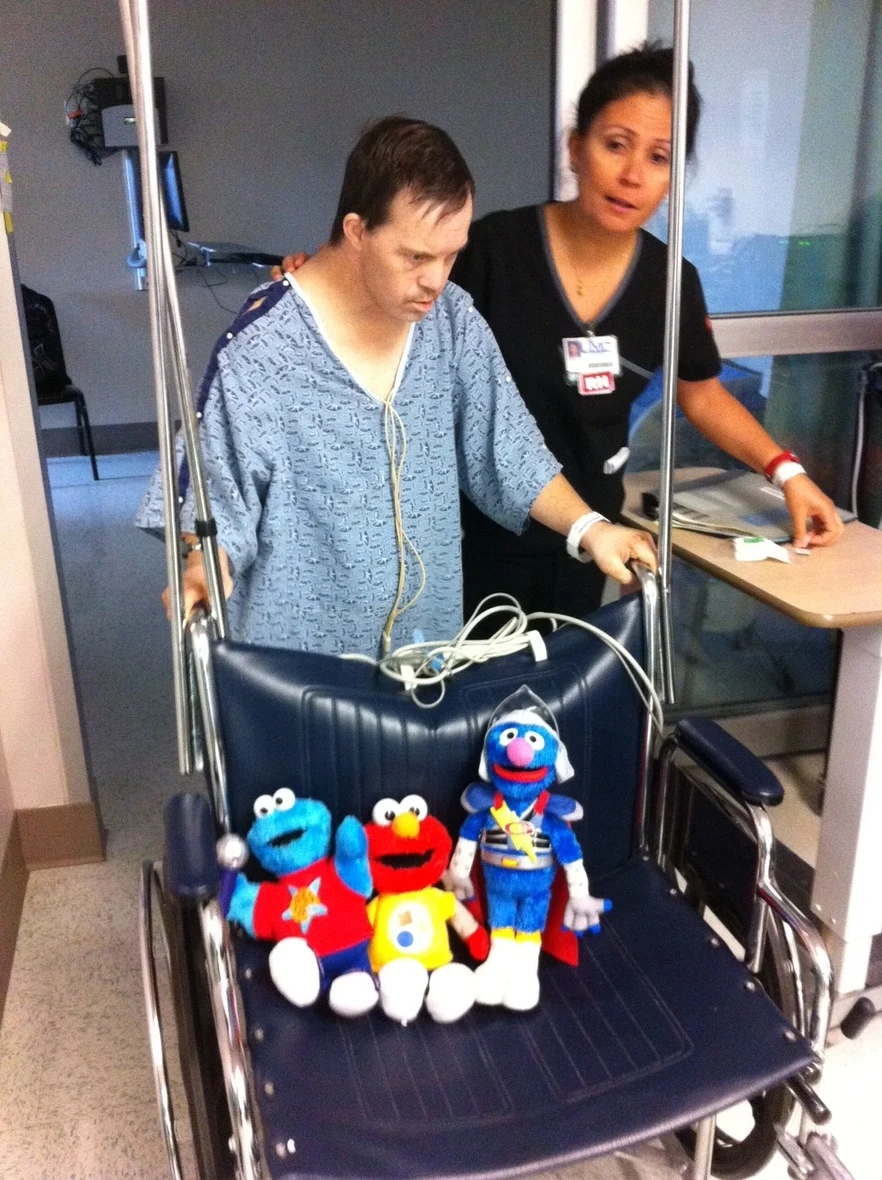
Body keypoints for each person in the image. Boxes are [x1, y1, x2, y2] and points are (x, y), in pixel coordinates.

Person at [279, 45, 843, 619]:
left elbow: (701, 391)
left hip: (589, 538)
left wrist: (787, 472)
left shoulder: (669, 282)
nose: (631, 175)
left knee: (560, 696)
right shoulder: (490, 251)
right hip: (472, 539)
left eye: (658, 157)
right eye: (615, 144)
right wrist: (325, 284)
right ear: (576, 147)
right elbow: (390, 306)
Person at [137, 117, 656, 656]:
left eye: (452, 253)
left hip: (422, 658)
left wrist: (593, 530)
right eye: (415, 257)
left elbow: (509, 451)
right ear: (358, 231)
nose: (437, 279)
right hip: (300, 671)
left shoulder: (451, 323)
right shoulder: (262, 350)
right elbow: (216, 500)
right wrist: (204, 568)